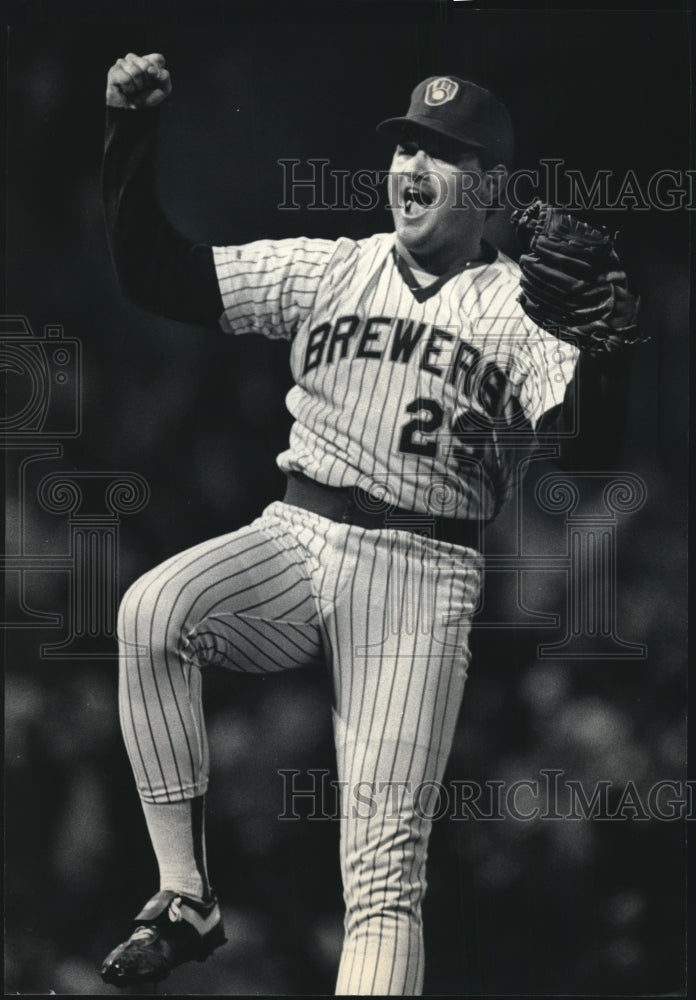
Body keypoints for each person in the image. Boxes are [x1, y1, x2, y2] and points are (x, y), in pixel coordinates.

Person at [99, 53, 635, 995]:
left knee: (383, 881)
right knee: (152, 610)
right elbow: (154, 271)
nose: (412, 166)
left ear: (492, 188)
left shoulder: (520, 305)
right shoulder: (329, 269)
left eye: (445, 153)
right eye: (407, 145)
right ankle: (185, 895)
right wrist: (130, 133)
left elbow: (596, 443)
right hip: (298, 535)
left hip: (422, 576)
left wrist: (603, 347)